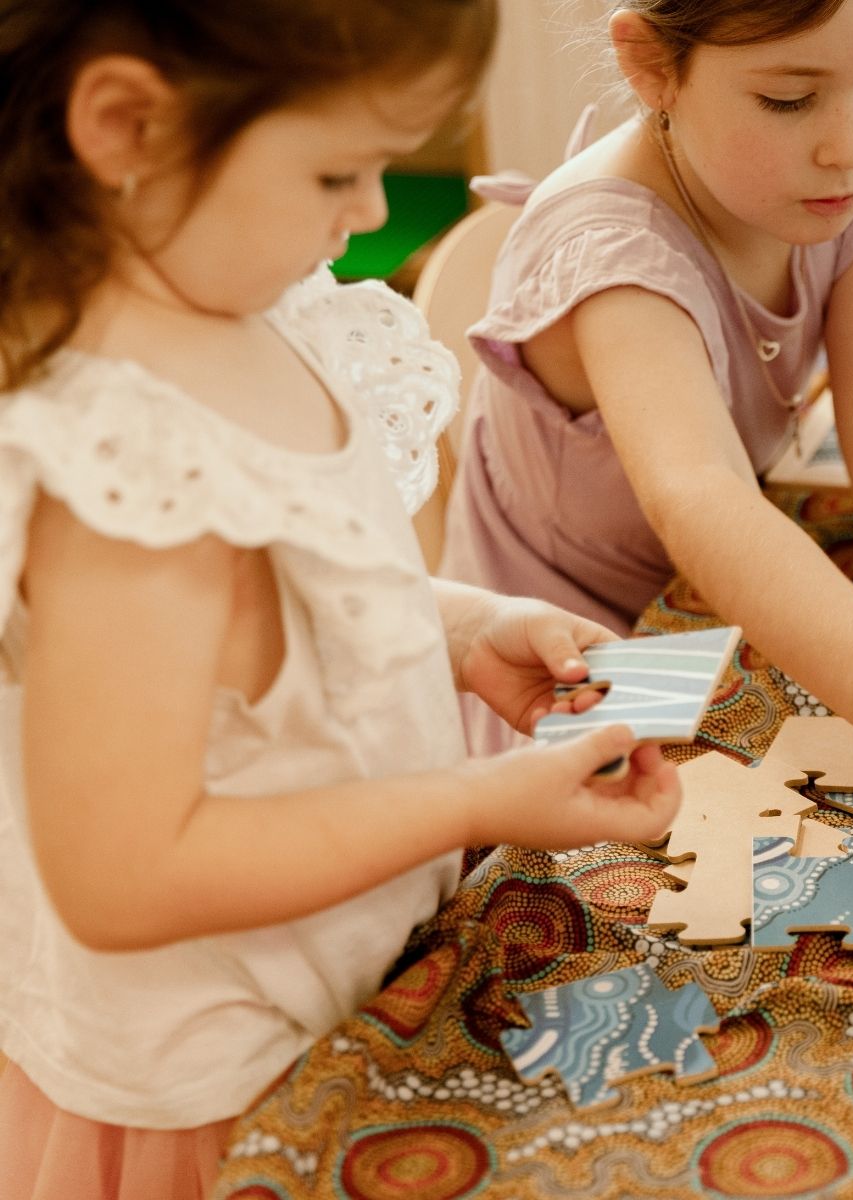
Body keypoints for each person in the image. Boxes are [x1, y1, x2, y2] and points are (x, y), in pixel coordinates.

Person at [0, 2, 681, 1195]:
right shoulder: (126, 475)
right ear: (126, 126)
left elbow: (293, 603)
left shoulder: (249, 297)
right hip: (224, 1083)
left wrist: (461, 627)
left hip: (349, 977)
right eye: (338, 167)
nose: (371, 212)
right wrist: (478, 798)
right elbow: (127, 874)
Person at [441, 0, 853, 872]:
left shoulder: (835, 181)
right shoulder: (612, 253)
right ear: (651, 65)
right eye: (788, 99)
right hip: (572, 666)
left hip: (729, 604)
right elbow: (701, 497)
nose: (849, 144)